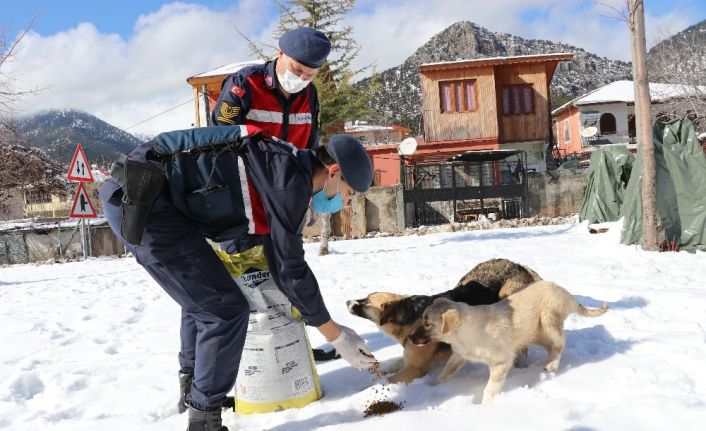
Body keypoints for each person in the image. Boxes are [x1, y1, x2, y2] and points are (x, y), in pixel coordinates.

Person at [99, 127, 378, 431]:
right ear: (334, 172)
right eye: (349, 194)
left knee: (209, 294)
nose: (346, 204)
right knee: (222, 308)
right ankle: (203, 418)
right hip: (143, 202)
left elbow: (276, 254)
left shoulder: (286, 164)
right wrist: (336, 335)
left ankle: (196, 392)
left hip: (149, 196)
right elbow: (291, 271)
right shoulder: (288, 182)